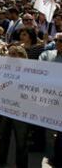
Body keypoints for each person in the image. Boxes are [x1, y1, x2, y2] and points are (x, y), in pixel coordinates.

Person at [0, 46, 30, 168]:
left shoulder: (30, 72)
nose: (11, 56)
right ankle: (1, 158)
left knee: (21, 140)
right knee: (3, 136)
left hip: (21, 111)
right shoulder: (4, 70)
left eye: (15, 54)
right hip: (5, 108)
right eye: (10, 54)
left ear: (23, 57)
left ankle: (21, 165)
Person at [39, 32, 62, 168]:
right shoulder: (47, 55)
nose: (59, 43)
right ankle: (39, 144)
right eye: (57, 40)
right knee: (40, 123)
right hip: (46, 95)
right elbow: (40, 69)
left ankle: (58, 158)